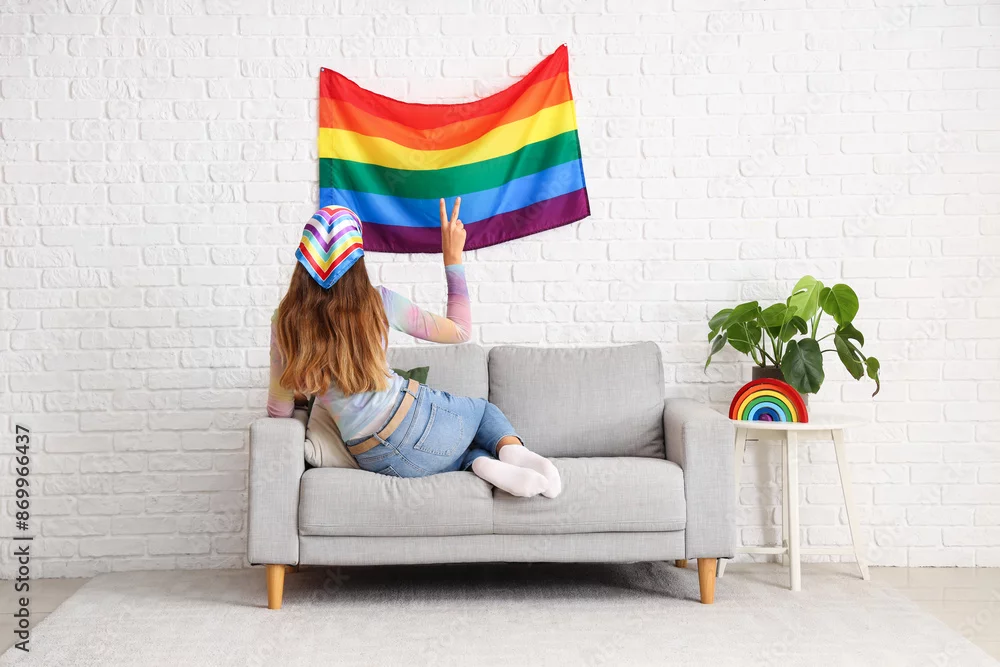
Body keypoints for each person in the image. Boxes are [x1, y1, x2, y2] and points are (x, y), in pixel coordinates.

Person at [266, 199, 561, 498]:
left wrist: (302, 397)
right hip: (412, 417)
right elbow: (460, 330)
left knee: (459, 456)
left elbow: (279, 410)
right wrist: (452, 257)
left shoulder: (284, 321)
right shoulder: (378, 303)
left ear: (303, 260)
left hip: (372, 454)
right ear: (356, 260)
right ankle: (514, 452)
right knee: (485, 412)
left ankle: (479, 463)